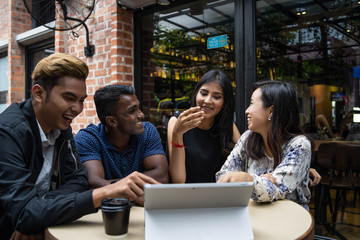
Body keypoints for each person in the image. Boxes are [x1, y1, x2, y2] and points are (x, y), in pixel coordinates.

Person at [0, 53, 158, 239]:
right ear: (38, 93)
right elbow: (22, 214)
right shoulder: (8, 132)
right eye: (69, 98)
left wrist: (39, 212)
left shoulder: (61, 127)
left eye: (81, 100)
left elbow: (78, 181)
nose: (77, 108)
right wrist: (103, 193)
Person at [216, 80, 313, 210]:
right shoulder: (247, 138)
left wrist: (247, 179)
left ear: (271, 111)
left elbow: (277, 188)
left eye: (251, 104)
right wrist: (257, 179)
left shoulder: (299, 145)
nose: (246, 111)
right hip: (252, 214)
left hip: (289, 219)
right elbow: (222, 177)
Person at [74, 85, 169, 191]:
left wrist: (111, 184)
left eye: (138, 108)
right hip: (107, 207)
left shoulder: (147, 131)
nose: (141, 115)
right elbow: (94, 184)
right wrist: (138, 182)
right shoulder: (88, 138)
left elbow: (161, 177)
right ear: (112, 121)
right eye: (132, 111)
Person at [167, 69, 241, 183]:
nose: (207, 100)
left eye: (216, 97)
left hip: (217, 195)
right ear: (196, 93)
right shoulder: (176, 122)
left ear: (224, 102)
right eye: (204, 93)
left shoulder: (227, 125)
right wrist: (178, 133)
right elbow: (179, 180)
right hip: (185, 196)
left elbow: (247, 157)